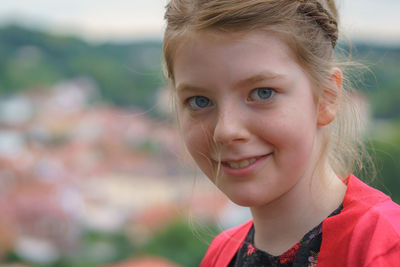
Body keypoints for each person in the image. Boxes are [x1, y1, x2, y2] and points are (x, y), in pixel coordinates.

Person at [162, 0, 400, 266]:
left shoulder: (384, 247)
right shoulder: (220, 255)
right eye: (199, 101)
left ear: (326, 97)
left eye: (263, 93)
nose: (226, 130)